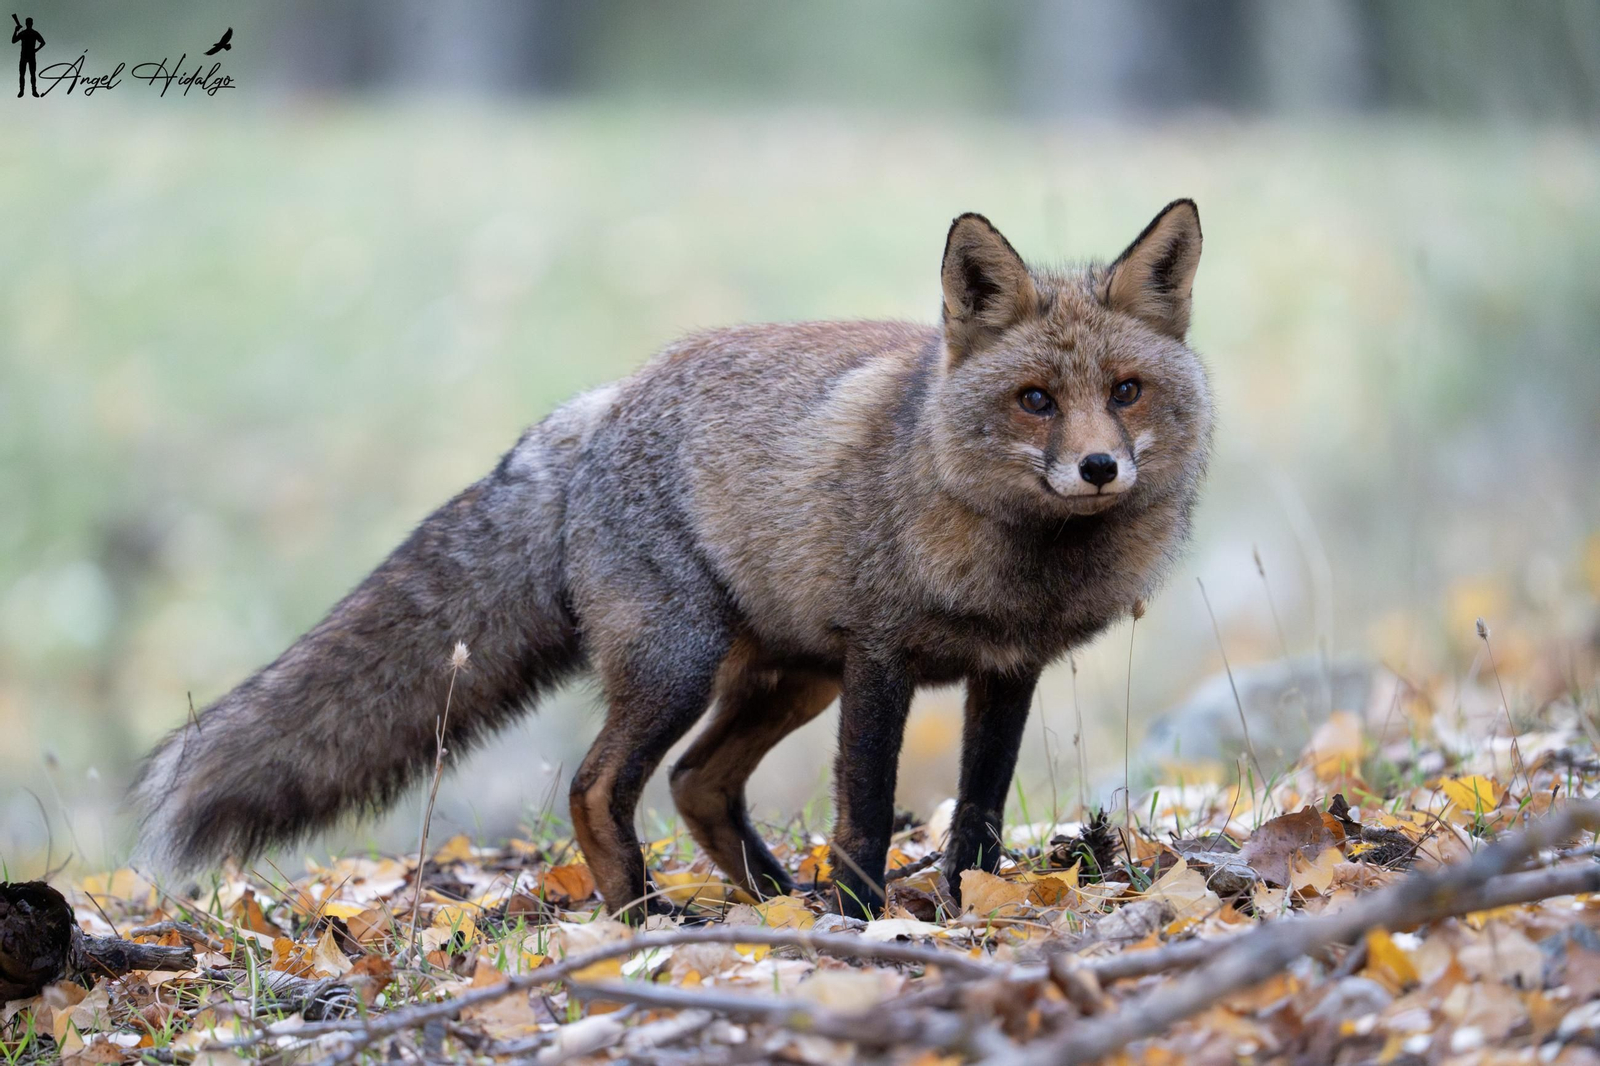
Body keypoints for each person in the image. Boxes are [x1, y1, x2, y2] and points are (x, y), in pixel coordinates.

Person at [13, 16, 43, 97]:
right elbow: (13, 41)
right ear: (28, 24)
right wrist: (15, 31)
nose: (29, 24)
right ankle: (23, 91)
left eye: (29, 23)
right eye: (29, 23)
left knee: (31, 74)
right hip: (25, 56)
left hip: (29, 56)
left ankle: (32, 91)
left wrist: (36, 49)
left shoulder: (30, 33)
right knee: (23, 74)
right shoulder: (26, 33)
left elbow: (43, 42)